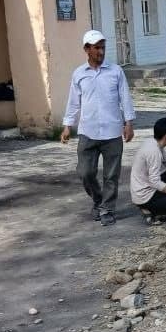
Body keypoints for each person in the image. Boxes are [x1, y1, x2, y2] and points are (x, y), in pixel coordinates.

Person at [61, 30, 136, 226]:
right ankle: (98, 200)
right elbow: (73, 102)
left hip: (112, 132)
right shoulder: (79, 74)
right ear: (87, 49)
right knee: (85, 173)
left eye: (102, 47)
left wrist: (129, 123)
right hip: (88, 132)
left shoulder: (115, 71)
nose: (100, 51)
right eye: (96, 48)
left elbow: (125, 98)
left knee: (111, 175)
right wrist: (67, 126)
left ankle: (107, 209)